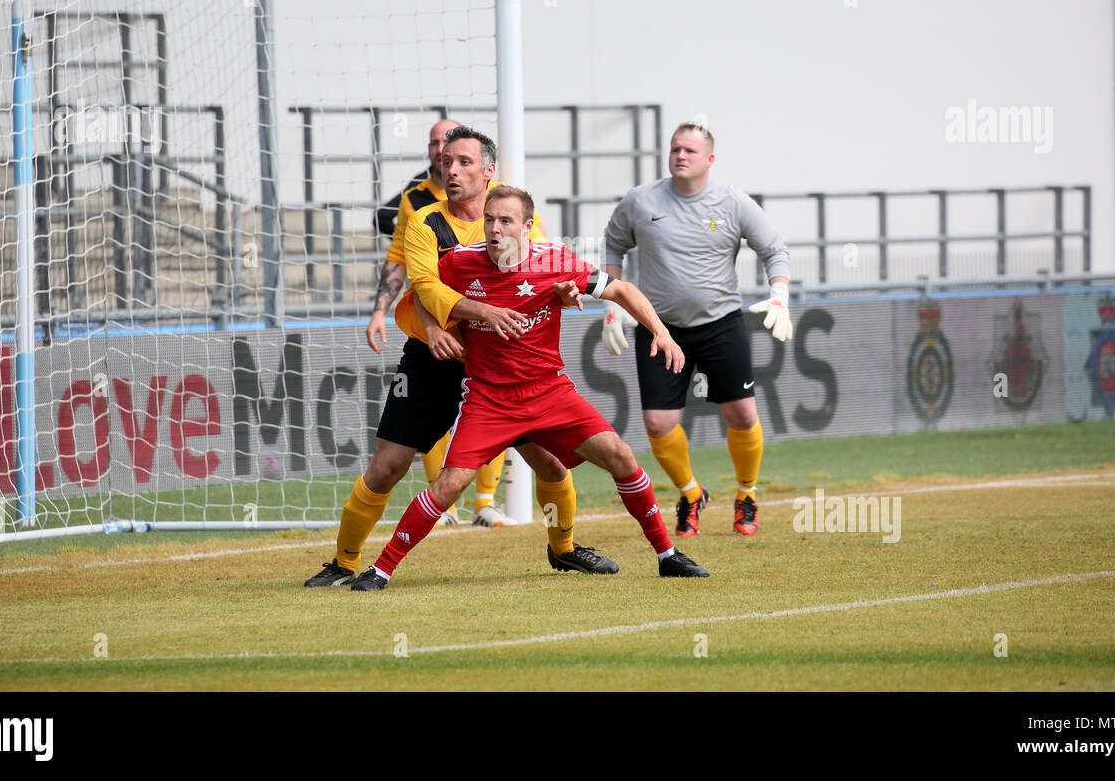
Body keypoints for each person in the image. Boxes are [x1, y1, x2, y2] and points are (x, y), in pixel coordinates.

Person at [349, 184, 709, 590]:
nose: (495, 229)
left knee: (620, 456)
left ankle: (666, 555)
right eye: (489, 220)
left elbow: (620, 288)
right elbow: (420, 295)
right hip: (489, 398)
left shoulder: (555, 262)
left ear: (527, 225)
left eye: (506, 221)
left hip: (549, 393)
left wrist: (661, 332)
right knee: (450, 484)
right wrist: (434, 329)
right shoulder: (461, 263)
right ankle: (379, 570)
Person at [305, 127, 616, 586]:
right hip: (434, 358)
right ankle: (343, 561)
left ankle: (564, 549)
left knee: (549, 464)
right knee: (388, 466)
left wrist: (570, 294)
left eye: (464, 162)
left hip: (501, 366)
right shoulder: (423, 219)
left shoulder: (517, 214)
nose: (451, 169)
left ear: (489, 171)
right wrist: (439, 326)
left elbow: (547, 273)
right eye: (447, 161)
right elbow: (425, 287)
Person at [600, 122, 791, 538]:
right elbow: (613, 244)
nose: (680, 156)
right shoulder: (640, 200)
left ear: (709, 159)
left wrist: (780, 295)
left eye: (689, 150)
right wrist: (613, 307)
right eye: (674, 149)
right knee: (657, 423)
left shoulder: (733, 202)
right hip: (658, 326)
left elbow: (774, 249)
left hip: (721, 323)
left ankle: (747, 494)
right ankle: (690, 494)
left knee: (741, 414)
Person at [365, 116, 509, 527]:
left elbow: (535, 253)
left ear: (484, 167)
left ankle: (490, 503)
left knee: (541, 452)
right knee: (403, 448)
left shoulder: (505, 202)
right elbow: (406, 267)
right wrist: (381, 310)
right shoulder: (416, 204)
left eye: (459, 155)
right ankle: (441, 506)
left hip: (494, 342)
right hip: (437, 339)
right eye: (439, 149)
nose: (447, 162)